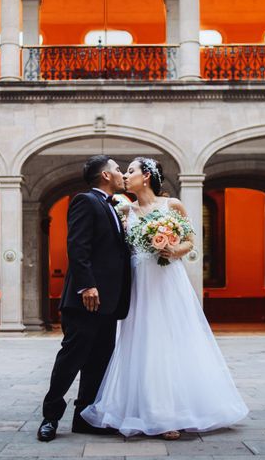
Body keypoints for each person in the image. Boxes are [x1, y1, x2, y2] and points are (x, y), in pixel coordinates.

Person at [81, 157, 249, 440]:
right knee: (143, 342)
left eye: (130, 171)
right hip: (140, 284)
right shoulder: (125, 209)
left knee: (174, 341)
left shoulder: (172, 206)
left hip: (168, 281)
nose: (125, 175)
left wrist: (174, 249)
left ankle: (177, 411)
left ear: (146, 176)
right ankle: (152, 411)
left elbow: (191, 242)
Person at [38, 155, 132, 442]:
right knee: (71, 359)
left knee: (99, 361)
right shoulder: (85, 201)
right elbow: (77, 247)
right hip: (85, 300)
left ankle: (84, 418)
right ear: (105, 175)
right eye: (117, 169)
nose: (121, 173)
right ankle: (50, 418)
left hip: (109, 302)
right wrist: (87, 286)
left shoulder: (114, 206)